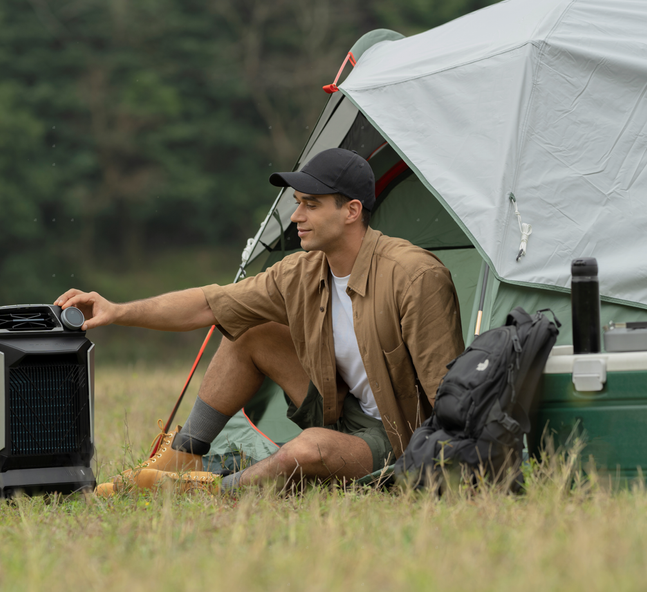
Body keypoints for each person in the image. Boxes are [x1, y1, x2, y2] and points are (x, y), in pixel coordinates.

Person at [54, 147, 464, 494]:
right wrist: (119, 311)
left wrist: (447, 473)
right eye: (297, 203)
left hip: (398, 436)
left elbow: (449, 394)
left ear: (352, 211)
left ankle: (206, 490)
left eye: (311, 205)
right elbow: (209, 305)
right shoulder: (302, 271)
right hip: (343, 409)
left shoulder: (413, 276)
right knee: (249, 330)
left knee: (306, 449)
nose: (295, 217)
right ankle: (180, 459)